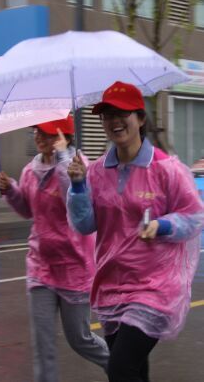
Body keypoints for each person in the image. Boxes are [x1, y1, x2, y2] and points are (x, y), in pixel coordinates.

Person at [66, 81, 204, 382]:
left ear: (140, 118)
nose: (114, 121)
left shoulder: (166, 169)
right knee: (135, 370)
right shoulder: (96, 171)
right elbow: (85, 224)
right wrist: (77, 186)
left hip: (155, 286)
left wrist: (162, 225)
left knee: (120, 368)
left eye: (122, 113)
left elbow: (194, 216)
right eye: (107, 115)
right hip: (112, 284)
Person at [0, 116, 109, 382]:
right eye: (37, 131)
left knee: (80, 339)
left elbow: (76, 204)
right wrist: (11, 190)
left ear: (63, 137)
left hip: (75, 268)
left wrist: (63, 159)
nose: (39, 137)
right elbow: (27, 210)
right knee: (43, 345)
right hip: (41, 268)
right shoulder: (29, 171)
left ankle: (120, 368)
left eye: (46, 133)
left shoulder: (79, 166)